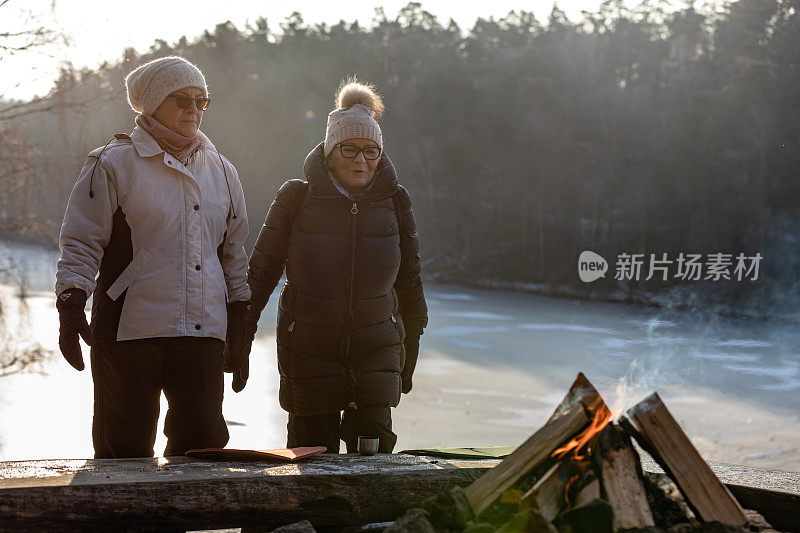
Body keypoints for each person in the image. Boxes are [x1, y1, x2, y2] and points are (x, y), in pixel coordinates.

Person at [55, 56, 254, 459]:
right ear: (152, 103)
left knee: (202, 451)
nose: (194, 109)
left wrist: (241, 321)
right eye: (182, 99)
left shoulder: (223, 170)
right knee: (123, 455)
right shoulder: (112, 163)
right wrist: (71, 303)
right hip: (129, 331)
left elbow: (233, 254)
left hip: (202, 332)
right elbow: (81, 241)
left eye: (202, 101)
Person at [246, 79, 428, 453]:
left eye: (371, 150)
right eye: (349, 149)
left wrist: (413, 338)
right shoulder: (297, 198)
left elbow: (409, 279)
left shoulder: (395, 201)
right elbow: (260, 274)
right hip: (309, 352)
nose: (361, 160)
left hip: (376, 349)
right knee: (311, 462)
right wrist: (241, 334)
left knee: (372, 464)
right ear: (330, 152)